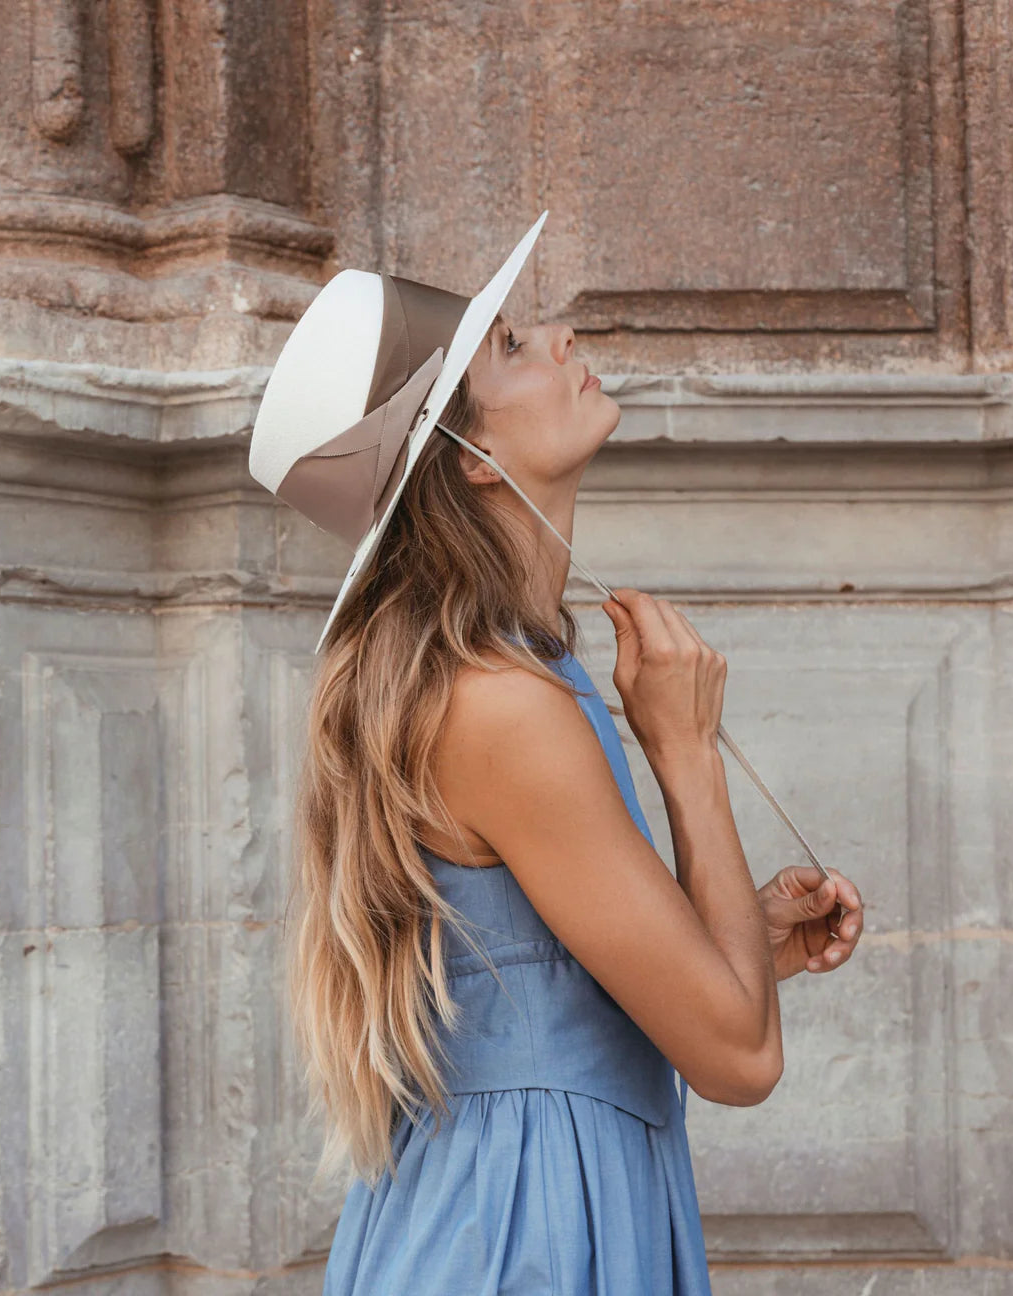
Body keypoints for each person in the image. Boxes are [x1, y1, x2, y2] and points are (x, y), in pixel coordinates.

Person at [248, 213, 865, 1295]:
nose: (564, 338)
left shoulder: (516, 675)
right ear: (474, 460)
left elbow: (563, 992)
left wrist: (737, 947)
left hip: (520, 1202)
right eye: (515, 348)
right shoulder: (501, 706)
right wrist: (686, 756)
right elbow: (738, 1059)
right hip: (523, 1225)